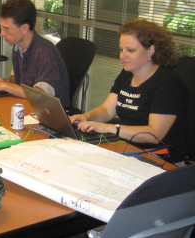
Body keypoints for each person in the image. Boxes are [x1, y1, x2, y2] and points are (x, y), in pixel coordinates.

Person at [70, 20, 188, 162]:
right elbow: (107, 110)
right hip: (126, 145)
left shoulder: (167, 83)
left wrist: (111, 128)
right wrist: (87, 117)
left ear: (151, 50)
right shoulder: (127, 73)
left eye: (130, 50)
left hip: (157, 155)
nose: (122, 56)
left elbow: (154, 135)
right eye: (121, 49)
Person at [0, 0, 70, 106]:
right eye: (2, 28)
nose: (1, 33)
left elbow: (40, 94)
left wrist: (4, 86)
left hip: (49, 115)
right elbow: (17, 80)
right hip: (26, 106)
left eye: (6, 29)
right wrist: (3, 82)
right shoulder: (18, 47)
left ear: (24, 28)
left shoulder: (45, 53)